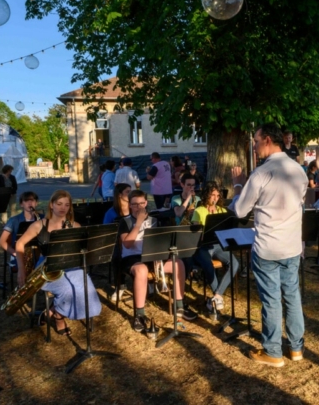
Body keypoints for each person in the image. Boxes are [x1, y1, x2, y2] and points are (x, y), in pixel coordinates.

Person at [229, 123, 307, 367]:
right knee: (292, 296)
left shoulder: (261, 173)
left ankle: (273, 351)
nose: (253, 146)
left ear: (267, 140)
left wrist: (239, 185)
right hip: (292, 245)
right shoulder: (298, 170)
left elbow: (240, 211)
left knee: (272, 300)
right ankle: (296, 349)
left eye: (255, 140)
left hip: (268, 247)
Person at [15, 190, 102, 336]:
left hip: (71, 266)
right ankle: (59, 317)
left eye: (67, 205)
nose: (63, 208)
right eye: (59, 204)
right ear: (51, 205)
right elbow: (19, 244)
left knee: (88, 290)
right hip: (47, 268)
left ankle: (52, 311)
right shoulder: (39, 225)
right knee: (68, 290)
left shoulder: (75, 225)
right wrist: (21, 270)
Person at [119, 190, 197, 332]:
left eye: (142, 203)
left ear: (146, 203)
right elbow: (127, 244)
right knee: (141, 270)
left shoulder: (154, 220)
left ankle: (179, 306)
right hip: (132, 257)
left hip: (151, 255)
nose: (139, 207)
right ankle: (140, 315)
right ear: (130, 205)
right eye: (135, 205)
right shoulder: (125, 221)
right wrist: (138, 223)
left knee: (178, 263)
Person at [191, 181, 240, 312]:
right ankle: (217, 298)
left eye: (218, 195)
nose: (215, 198)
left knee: (234, 263)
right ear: (207, 195)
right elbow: (195, 234)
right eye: (213, 195)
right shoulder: (199, 210)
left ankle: (217, 295)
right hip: (203, 246)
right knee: (208, 265)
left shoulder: (222, 211)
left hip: (218, 245)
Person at [0, 191, 43, 275]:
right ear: (21, 204)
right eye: (26, 201)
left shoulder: (42, 218)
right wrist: (14, 252)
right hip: (20, 253)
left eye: (32, 200)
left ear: (36, 203)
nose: (30, 203)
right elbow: (2, 241)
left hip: (39, 253)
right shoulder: (14, 220)